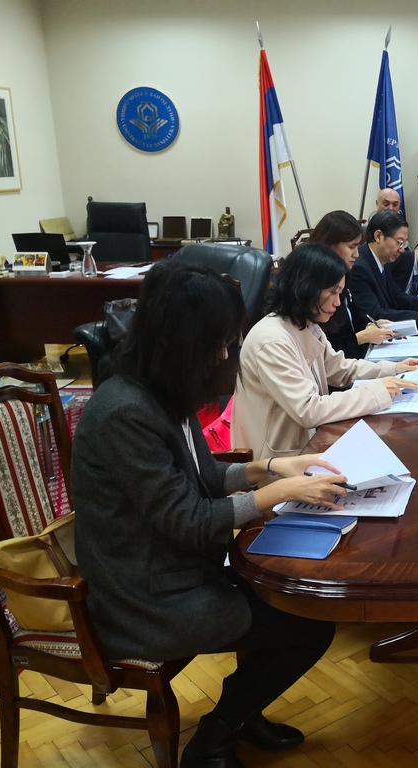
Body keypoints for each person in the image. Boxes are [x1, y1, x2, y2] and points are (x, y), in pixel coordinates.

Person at [72, 261, 348, 768]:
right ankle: (216, 736)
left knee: (299, 606)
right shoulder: (125, 412)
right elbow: (191, 519)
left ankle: (241, 712)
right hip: (143, 597)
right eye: (217, 343)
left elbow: (203, 475)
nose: (223, 355)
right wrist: (277, 491)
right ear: (179, 341)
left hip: (178, 569)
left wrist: (269, 468)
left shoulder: (160, 388)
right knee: (309, 626)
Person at [232, 242, 418, 460]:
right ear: (306, 287)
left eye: (340, 293)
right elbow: (308, 410)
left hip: (306, 443)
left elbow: (340, 369)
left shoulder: (304, 324)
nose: (338, 302)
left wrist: (394, 369)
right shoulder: (271, 341)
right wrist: (376, 391)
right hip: (276, 461)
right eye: (333, 292)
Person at [347, 210, 418, 326]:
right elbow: (375, 315)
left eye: (404, 244)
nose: (402, 250)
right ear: (378, 236)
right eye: (399, 242)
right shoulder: (359, 268)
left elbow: (397, 297)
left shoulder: (383, 260)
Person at [308, 209, 397, 358]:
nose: (356, 254)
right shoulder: (315, 285)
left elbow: (351, 323)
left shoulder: (345, 275)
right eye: (351, 247)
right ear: (330, 245)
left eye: (358, 247)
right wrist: (362, 337)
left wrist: (370, 326)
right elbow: (321, 352)